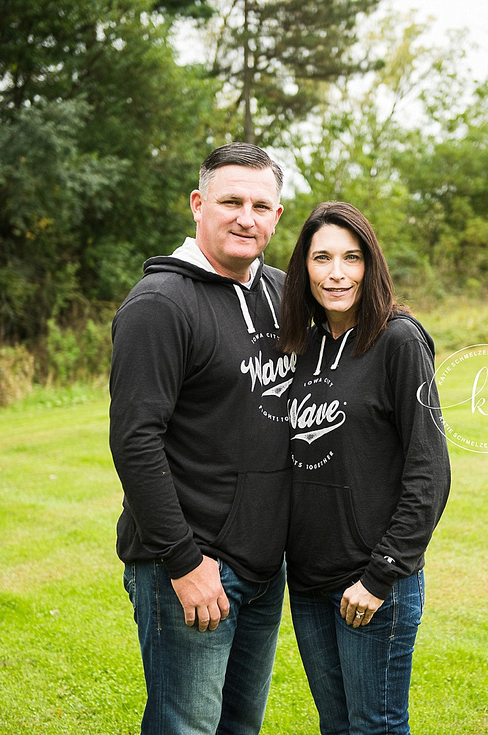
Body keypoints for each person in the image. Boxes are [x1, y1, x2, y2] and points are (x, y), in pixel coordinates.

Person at [109, 143, 294, 735]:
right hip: (191, 566)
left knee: (241, 726)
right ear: (197, 204)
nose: (247, 217)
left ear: (277, 216)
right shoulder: (160, 305)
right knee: (184, 726)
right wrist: (185, 562)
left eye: (262, 205)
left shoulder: (283, 295)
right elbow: (136, 442)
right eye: (231, 201)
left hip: (264, 568)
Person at [278, 201, 451, 735]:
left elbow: (430, 472)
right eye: (322, 258)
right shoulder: (299, 347)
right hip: (308, 582)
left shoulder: (398, 341)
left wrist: (379, 576)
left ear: (370, 265)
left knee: (374, 725)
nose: (336, 273)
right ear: (303, 268)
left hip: (373, 584)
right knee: (337, 725)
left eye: (351, 258)